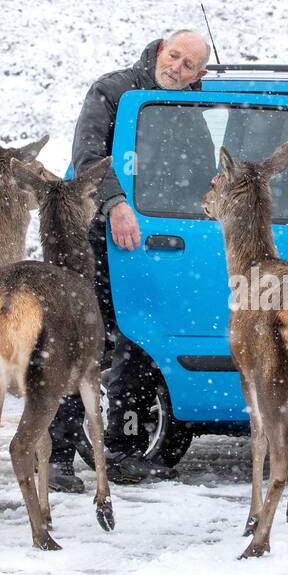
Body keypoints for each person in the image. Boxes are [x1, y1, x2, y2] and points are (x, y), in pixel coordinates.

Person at [48, 30, 213, 491]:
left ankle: (122, 452)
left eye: (187, 65)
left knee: (136, 340)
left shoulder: (187, 107)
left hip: (139, 241)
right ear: (161, 51)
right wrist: (116, 202)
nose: (176, 68)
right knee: (80, 343)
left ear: (199, 74)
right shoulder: (115, 91)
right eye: (173, 56)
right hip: (88, 235)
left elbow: (198, 170)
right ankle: (54, 455)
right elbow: (87, 158)